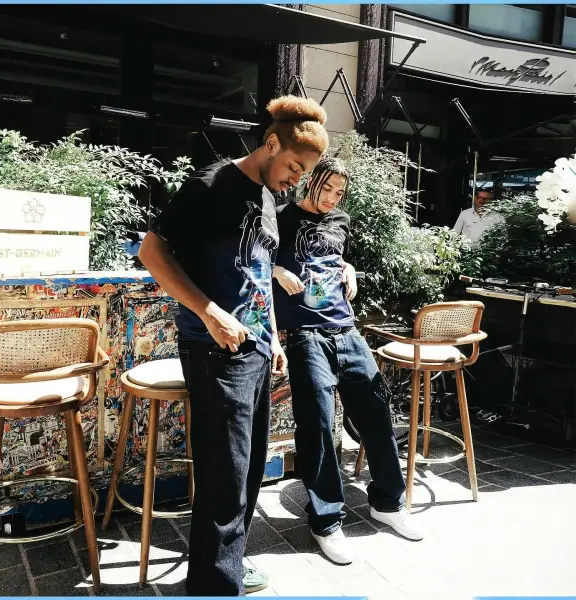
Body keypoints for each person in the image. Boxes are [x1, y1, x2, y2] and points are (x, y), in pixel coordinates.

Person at [138, 95, 329, 596]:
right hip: (213, 348)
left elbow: (257, 272)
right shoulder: (210, 185)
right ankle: (215, 586)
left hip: (256, 348)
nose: (296, 181)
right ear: (271, 144)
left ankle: (229, 567)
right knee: (225, 472)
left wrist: (272, 335)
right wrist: (209, 311)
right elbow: (152, 252)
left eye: (304, 173)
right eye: (294, 167)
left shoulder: (268, 198)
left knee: (247, 469)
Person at [272, 157, 422, 566]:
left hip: (346, 328)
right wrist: (277, 270)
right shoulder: (281, 217)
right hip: (305, 334)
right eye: (327, 189)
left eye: (340, 192)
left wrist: (349, 267)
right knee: (318, 424)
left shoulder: (341, 220)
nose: (332, 198)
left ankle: (388, 503)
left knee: (377, 412)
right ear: (311, 181)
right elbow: (251, 262)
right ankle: (326, 522)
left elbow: (332, 259)